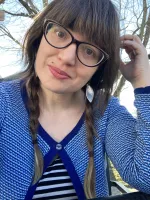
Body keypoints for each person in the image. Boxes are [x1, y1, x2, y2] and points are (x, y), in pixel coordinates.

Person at [0, 0, 150, 200]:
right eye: (61, 33)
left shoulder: (106, 110)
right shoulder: (4, 101)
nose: (67, 58)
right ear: (40, 34)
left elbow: (145, 175)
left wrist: (143, 84)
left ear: (99, 68)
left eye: (89, 51)